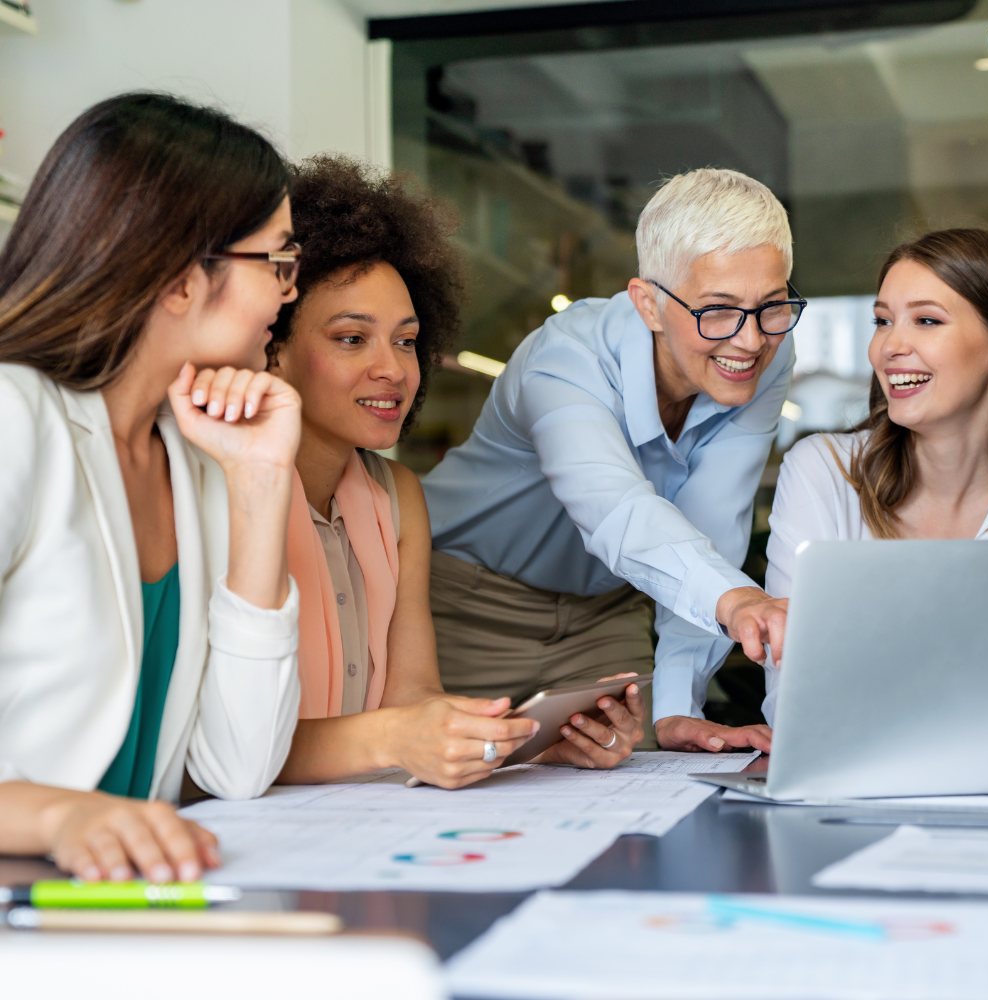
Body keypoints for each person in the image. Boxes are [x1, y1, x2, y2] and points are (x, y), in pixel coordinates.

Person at [0, 94, 304, 882]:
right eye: (277, 262)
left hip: (111, 907)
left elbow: (238, 768)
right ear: (178, 280)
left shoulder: (194, 452)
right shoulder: (13, 415)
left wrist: (261, 480)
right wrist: (59, 815)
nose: (289, 292)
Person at [267, 156, 646, 786]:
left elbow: (414, 703)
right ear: (271, 345)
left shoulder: (398, 498)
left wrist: (530, 744)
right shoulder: (226, 494)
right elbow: (211, 755)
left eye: (406, 340)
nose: (393, 369)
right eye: (352, 339)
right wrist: (394, 736)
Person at [423, 167, 801, 754]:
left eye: (772, 306)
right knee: (449, 783)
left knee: (633, 775)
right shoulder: (564, 358)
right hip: (473, 605)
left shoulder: (765, 355)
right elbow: (616, 512)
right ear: (648, 304)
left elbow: (714, 524)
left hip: (607, 613)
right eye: (718, 310)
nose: (750, 340)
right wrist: (737, 600)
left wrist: (676, 709)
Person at [763, 228, 988, 715]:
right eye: (882, 321)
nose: (889, 346)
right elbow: (793, 697)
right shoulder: (823, 473)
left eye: (927, 320)